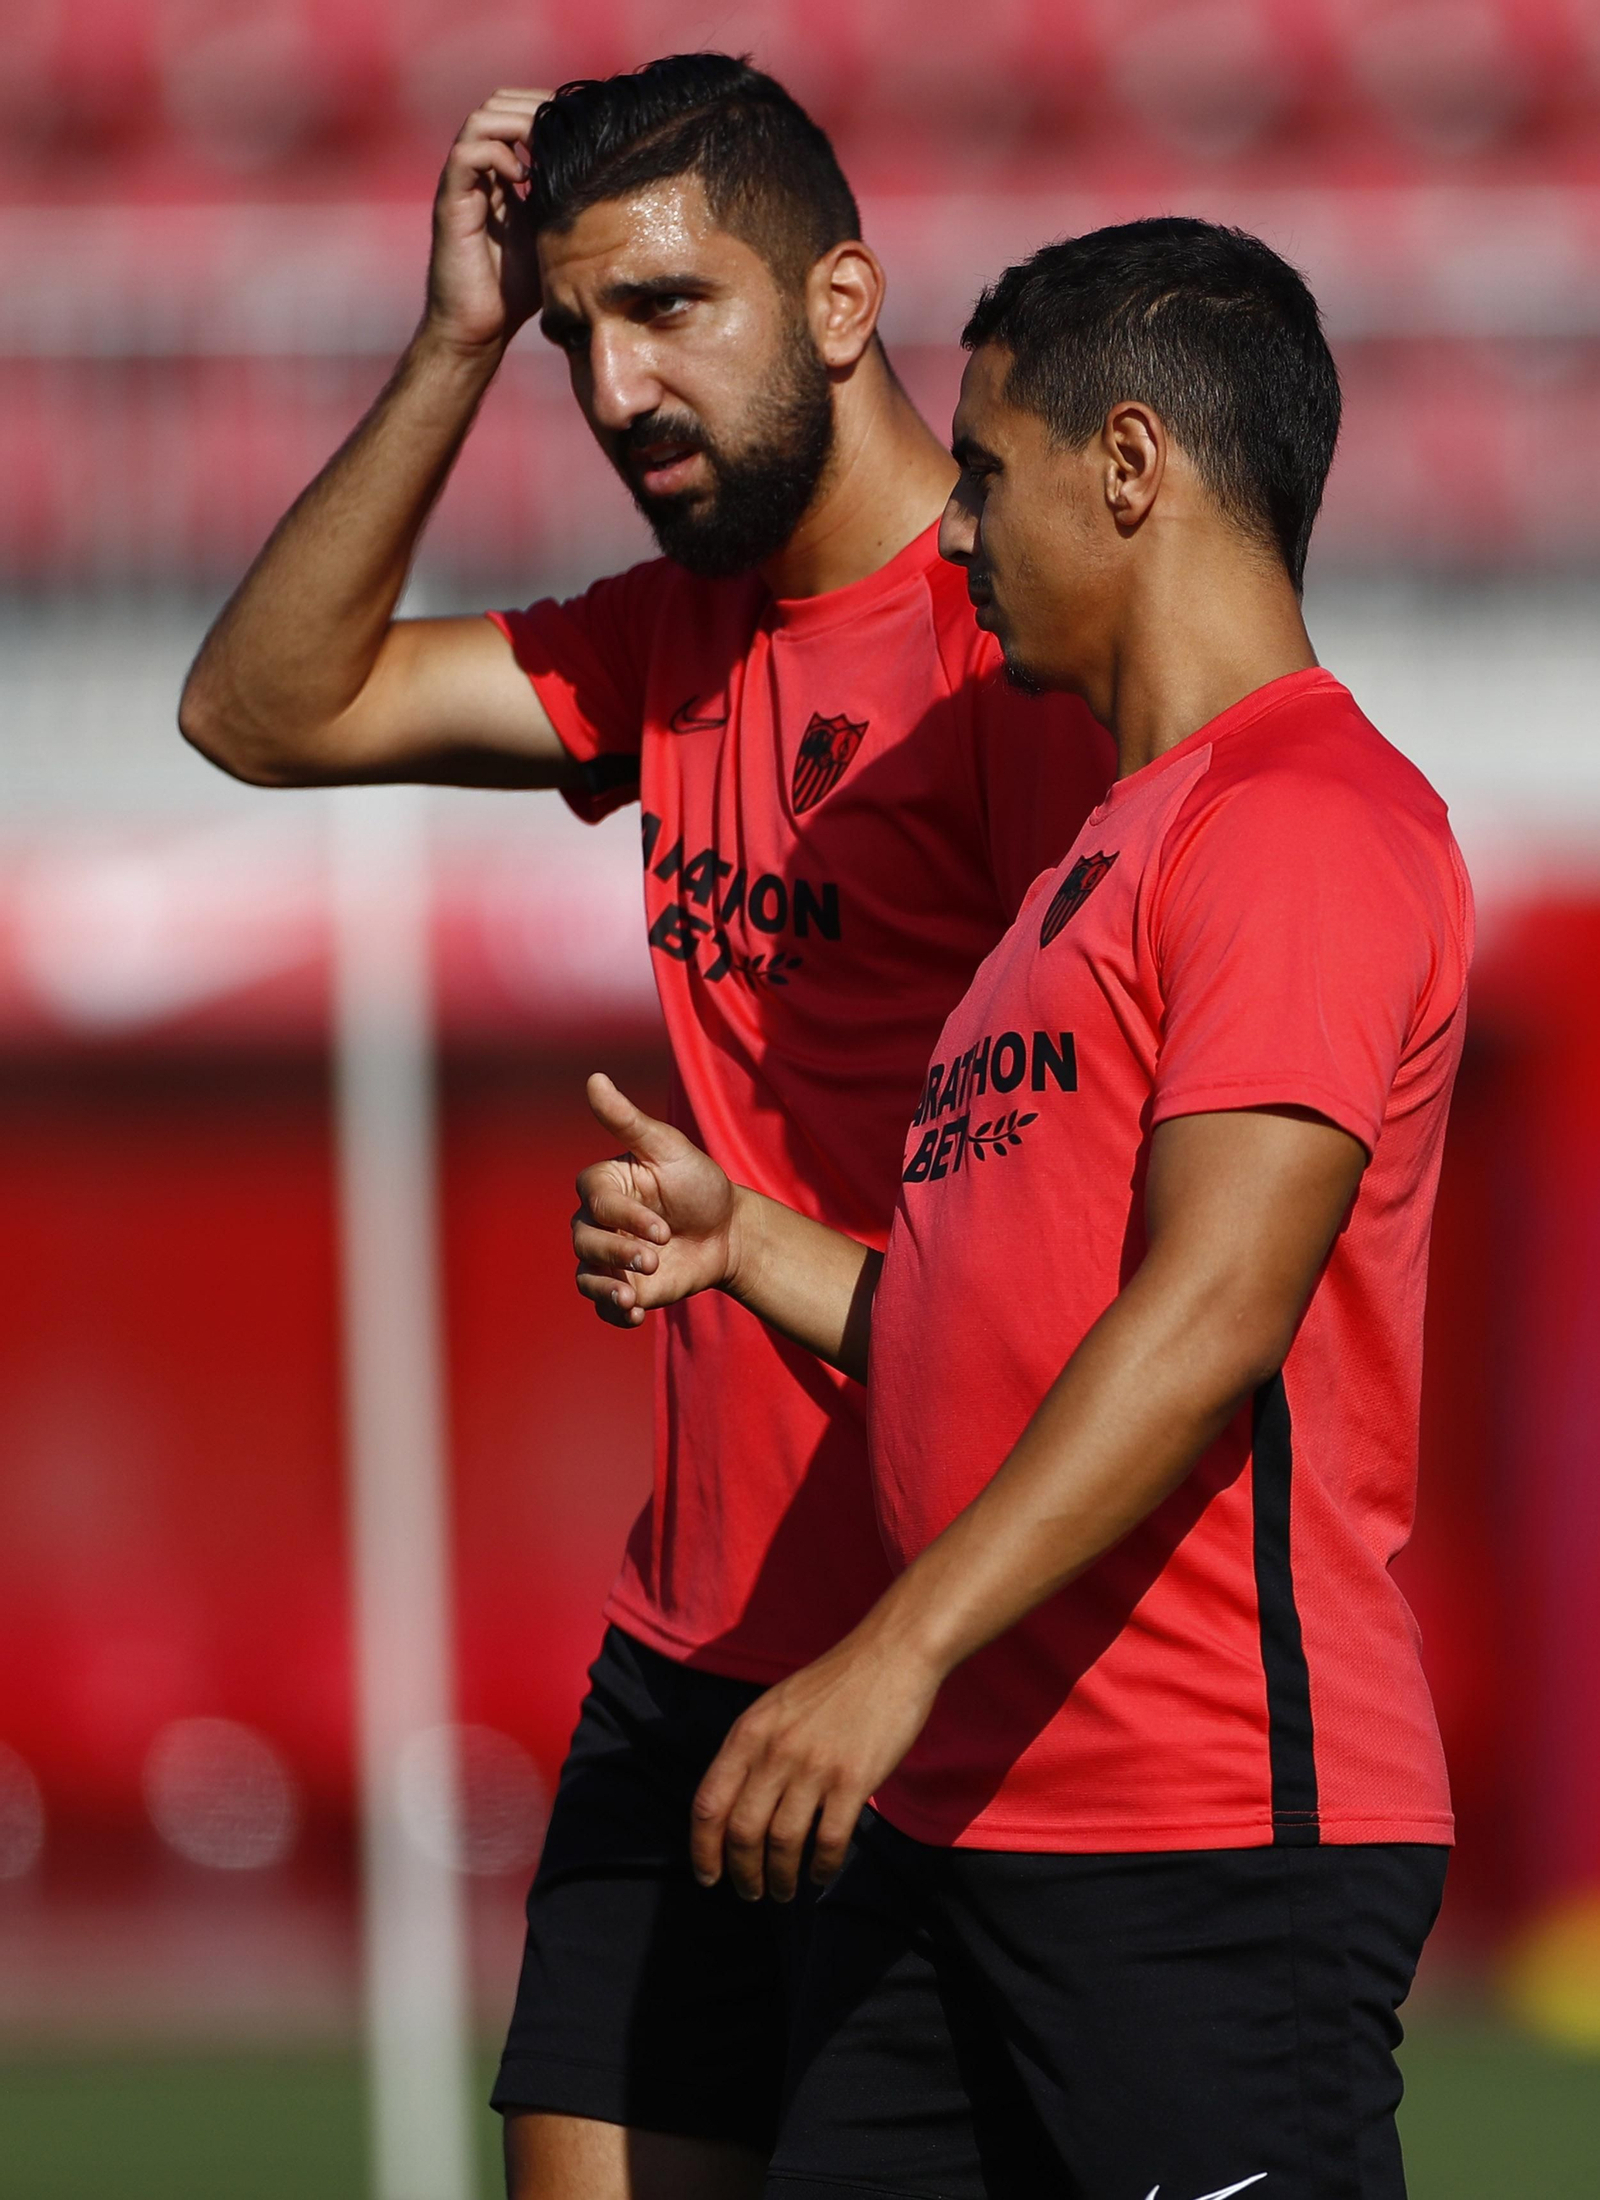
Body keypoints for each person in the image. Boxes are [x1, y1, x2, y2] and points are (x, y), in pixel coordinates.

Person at [178, 53, 1113, 2200]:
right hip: (687, 1649)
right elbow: (260, 708)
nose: (612, 387)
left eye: (670, 308)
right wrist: (454, 340)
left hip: (937, 1665)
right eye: (575, 333)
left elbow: (1114, 1239)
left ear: (844, 300)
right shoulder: (672, 639)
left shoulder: (1012, 663)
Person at [571, 217, 1473, 2199]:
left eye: (983, 472)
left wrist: (887, 1651)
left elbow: (1208, 1315)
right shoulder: (1087, 869)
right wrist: (745, 1243)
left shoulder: (1301, 819)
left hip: (1198, 1831)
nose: (956, 531)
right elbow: (1002, 1332)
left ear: (1127, 467)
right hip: (959, 1830)